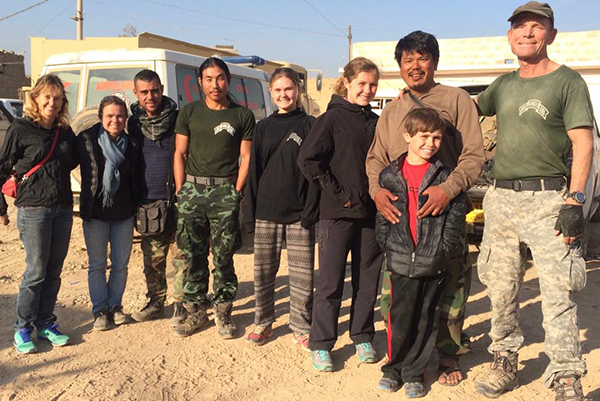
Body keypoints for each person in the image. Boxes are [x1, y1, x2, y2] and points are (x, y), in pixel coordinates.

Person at [474, 3, 592, 400]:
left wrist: (575, 201)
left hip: (548, 199)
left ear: (551, 35)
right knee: (501, 286)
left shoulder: (568, 82)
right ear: (509, 37)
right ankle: (505, 359)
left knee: (559, 291)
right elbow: (468, 111)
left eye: (536, 27)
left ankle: (565, 375)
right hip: (501, 200)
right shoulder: (503, 85)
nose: (527, 33)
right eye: (519, 27)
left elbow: (583, 142)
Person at [365, 30, 484, 385]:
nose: (415, 67)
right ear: (400, 65)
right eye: (408, 61)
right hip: (404, 219)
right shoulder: (393, 111)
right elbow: (376, 159)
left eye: (423, 59)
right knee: (399, 294)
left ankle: (448, 356)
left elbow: (474, 155)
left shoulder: (457, 99)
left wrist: (447, 190)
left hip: (445, 214)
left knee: (451, 288)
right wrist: (377, 192)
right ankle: (400, 359)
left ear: (434, 62)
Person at [297, 57, 384, 372]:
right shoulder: (331, 119)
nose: (367, 90)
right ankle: (321, 344)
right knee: (331, 283)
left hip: (371, 215)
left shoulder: (375, 121)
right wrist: (339, 193)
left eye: (373, 85)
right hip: (337, 214)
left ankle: (362, 335)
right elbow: (308, 159)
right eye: (361, 83)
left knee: (367, 280)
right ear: (347, 82)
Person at [376, 108, 466, 398]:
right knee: (398, 317)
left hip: (433, 261)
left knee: (425, 318)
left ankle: (414, 372)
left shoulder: (445, 175)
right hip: (400, 261)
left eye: (437, 137)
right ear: (407, 136)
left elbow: (456, 215)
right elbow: (383, 217)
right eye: (424, 136)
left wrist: (445, 250)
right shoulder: (390, 175)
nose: (431, 142)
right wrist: (388, 246)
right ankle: (393, 369)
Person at [172, 57, 255, 339]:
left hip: (225, 192)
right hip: (192, 192)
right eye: (208, 79)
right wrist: (181, 190)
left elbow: (246, 157)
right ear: (200, 82)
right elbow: (180, 154)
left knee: (223, 256)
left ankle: (223, 311)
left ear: (227, 80)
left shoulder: (242, 115)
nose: (214, 84)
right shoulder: (189, 112)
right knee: (193, 255)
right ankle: (196, 311)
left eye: (220, 78)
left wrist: (237, 191)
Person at [0, 74, 77, 353]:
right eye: (47, 96)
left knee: (54, 271)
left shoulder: (65, 132)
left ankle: (45, 323)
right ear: (35, 99)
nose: (52, 102)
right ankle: (22, 328)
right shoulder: (21, 128)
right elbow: (2, 166)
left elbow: (75, 160)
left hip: (62, 207)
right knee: (35, 271)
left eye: (57, 98)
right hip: (33, 208)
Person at [243, 67, 319, 350]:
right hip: (266, 211)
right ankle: (263, 322)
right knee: (263, 272)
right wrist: (249, 213)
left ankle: (301, 326)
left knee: (302, 275)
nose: (284, 94)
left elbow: (315, 172)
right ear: (271, 93)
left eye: (289, 89)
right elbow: (253, 172)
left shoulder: (311, 125)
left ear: (297, 90)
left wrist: (312, 208)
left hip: (300, 213)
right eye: (278, 90)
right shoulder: (262, 127)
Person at [78, 95, 140, 331]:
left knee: (120, 265)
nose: (115, 120)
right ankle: (100, 310)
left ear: (126, 118)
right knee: (96, 264)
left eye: (120, 116)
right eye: (110, 116)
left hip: (124, 214)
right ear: (101, 117)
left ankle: (115, 306)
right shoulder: (87, 140)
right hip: (95, 214)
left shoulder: (132, 143)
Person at [127, 69, 184, 325]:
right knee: (153, 258)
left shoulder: (179, 119)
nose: (151, 96)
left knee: (183, 257)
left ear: (161, 88)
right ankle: (156, 302)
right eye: (145, 92)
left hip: (178, 199)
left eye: (155, 90)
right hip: (148, 202)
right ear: (136, 93)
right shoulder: (133, 124)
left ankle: (183, 305)